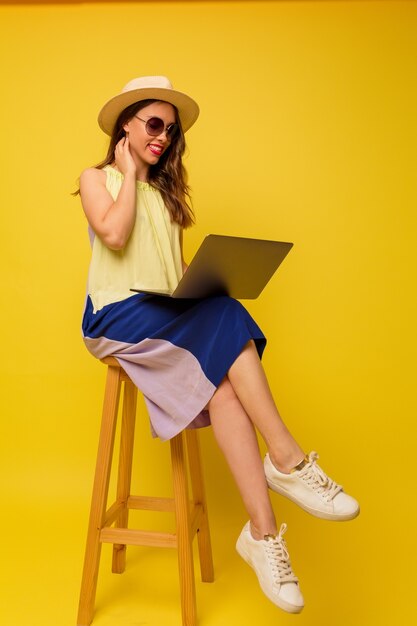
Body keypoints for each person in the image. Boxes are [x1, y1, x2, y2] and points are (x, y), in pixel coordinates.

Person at [78, 75, 360, 615]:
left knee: (226, 385)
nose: (163, 136)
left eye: (170, 129)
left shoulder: (163, 197)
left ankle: (263, 535)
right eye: (154, 124)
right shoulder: (99, 179)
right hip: (115, 317)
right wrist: (132, 174)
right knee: (229, 319)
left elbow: (169, 271)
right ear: (126, 129)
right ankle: (289, 460)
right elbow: (114, 237)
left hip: (161, 313)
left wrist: (201, 282)